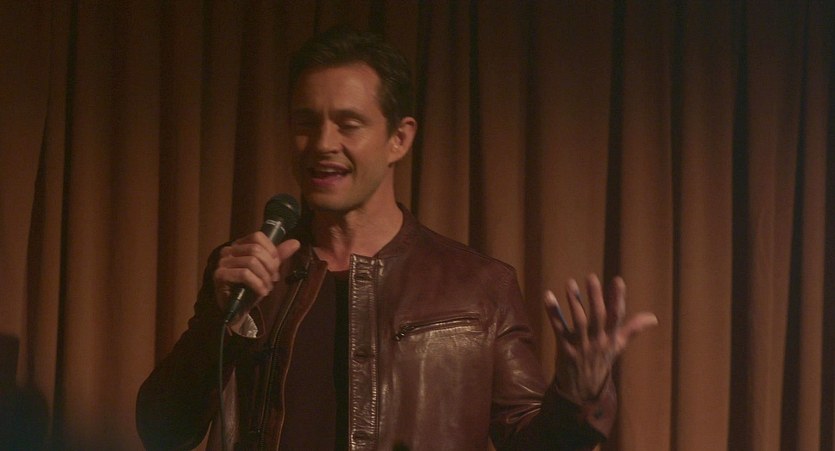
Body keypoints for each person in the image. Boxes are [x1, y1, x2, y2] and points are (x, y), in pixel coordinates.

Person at [136, 27, 657, 451]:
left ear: (399, 138)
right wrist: (217, 322)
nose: (322, 143)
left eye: (348, 124)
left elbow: (531, 442)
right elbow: (162, 431)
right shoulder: (248, 272)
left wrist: (578, 395)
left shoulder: (480, 286)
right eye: (305, 122)